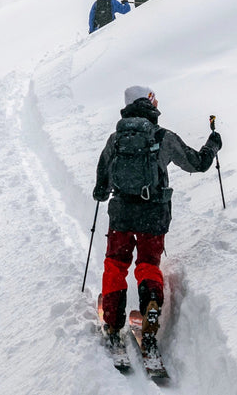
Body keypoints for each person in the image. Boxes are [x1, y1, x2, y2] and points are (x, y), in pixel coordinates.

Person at [93, 85, 222, 353]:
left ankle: (113, 324)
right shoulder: (163, 137)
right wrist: (213, 144)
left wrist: (101, 191)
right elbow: (198, 163)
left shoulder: (115, 139)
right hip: (154, 213)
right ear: (150, 105)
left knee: (115, 264)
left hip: (121, 214)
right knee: (148, 264)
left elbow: (101, 185)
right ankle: (151, 305)